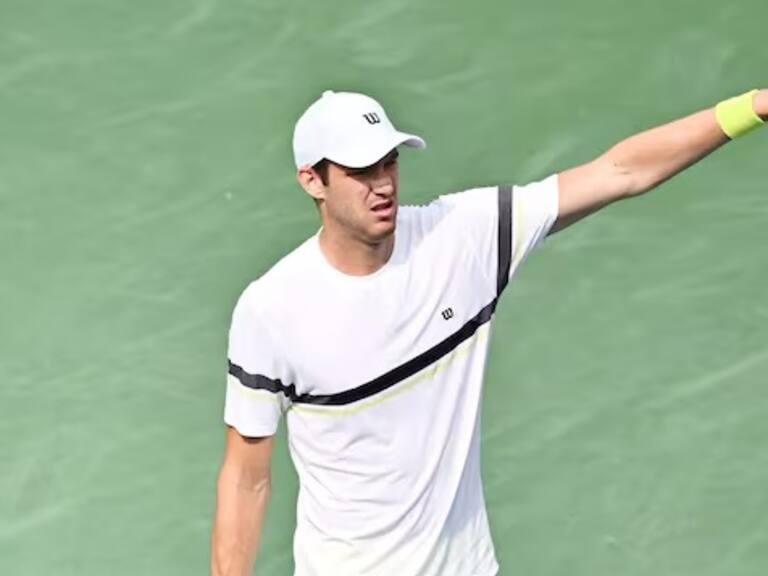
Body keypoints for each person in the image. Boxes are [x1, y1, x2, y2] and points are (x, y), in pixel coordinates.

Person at [210, 89, 767, 576]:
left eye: (390, 164)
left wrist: (754, 107)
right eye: (361, 171)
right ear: (314, 181)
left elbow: (622, 172)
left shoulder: (462, 239)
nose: (383, 186)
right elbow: (246, 477)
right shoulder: (272, 311)